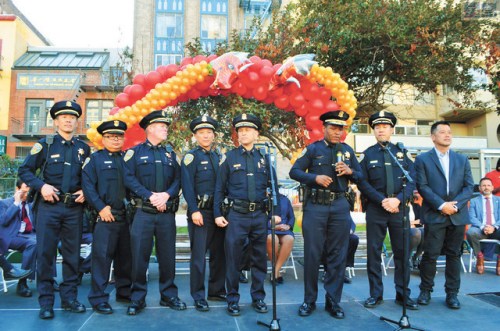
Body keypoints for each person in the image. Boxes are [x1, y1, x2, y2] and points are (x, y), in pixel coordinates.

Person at [18, 100, 91, 319]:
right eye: (64, 117)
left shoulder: (83, 148)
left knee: (71, 256)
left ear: (76, 121)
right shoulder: (45, 144)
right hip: (49, 208)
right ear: (56, 121)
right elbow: (25, 170)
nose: (69, 120)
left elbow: (89, 177)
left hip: (73, 209)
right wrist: (42, 186)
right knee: (46, 255)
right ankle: (46, 303)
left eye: (72, 117)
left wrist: (86, 192)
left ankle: (69, 299)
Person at [289, 110, 362, 319]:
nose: (338, 132)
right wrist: (315, 178)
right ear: (324, 128)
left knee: (338, 255)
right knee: (312, 254)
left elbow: (360, 176)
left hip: (340, 206)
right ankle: (309, 300)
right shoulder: (313, 149)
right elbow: (294, 171)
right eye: (333, 128)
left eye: (341, 129)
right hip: (316, 207)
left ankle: (333, 301)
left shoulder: (348, 152)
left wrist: (350, 172)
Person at [214, 113, 281, 316]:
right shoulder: (229, 157)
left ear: (256, 133)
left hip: (260, 216)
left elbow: (274, 188)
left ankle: (258, 298)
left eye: (247, 130)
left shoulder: (264, 159)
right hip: (237, 215)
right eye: (240, 130)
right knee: (233, 260)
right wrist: (217, 213)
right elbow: (219, 188)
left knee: (259, 259)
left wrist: (275, 213)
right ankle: (233, 299)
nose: (243, 133)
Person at [123, 110, 186, 315]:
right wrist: (150, 195)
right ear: (149, 128)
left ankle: (169, 295)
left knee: (167, 257)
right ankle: (137, 298)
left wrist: (167, 195)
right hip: (143, 212)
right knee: (139, 256)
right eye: (161, 126)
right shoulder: (135, 153)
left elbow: (179, 179)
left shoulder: (170, 154)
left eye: (165, 126)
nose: (165, 128)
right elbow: (128, 177)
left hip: (166, 213)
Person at [82, 120, 146, 314]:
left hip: (127, 218)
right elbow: (88, 186)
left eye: (119, 136)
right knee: (102, 259)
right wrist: (101, 208)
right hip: (105, 217)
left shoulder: (129, 158)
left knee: (126, 258)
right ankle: (99, 298)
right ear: (103, 139)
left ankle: (124, 292)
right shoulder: (95, 160)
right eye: (111, 136)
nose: (116, 139)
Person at [358, 111, 419, 310]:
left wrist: (398, 200)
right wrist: (382, 200)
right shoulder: (368, 154)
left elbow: (412, 181)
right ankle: (375, 294)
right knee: (374, 253)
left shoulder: (402, 152)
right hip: (376, 209)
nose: (381, 129)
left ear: (392, 129)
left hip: (399, 209)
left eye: (385, 126)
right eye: (377, 127)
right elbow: (362, 183)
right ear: (373, 130)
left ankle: (403, 294)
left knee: (402, 253)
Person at [415, 120, 474, 310]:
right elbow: (422, 186)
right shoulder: (423, 159)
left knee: (454, 255)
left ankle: (452, 294)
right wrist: (441, 205)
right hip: (435, 214)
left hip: (457, 215)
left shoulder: (462, 159)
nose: (447, 135)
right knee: (430, 255)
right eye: (442, 132)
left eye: (449, 132)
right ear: (433, 137)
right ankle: (425, 291)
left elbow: (468, 186)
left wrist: (454, 206)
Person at [181, 115, 226, 312]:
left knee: (219, 254)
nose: (206, 136)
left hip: (219, 213)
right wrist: (194, 210)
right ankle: (198, 295)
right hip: (200, 212)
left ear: (214, 135)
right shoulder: (191, 157)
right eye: (201, 133)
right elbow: (187, 186)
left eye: (209, 132)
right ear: (195, 136)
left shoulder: (219, 157)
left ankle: (216, 290)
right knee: (198, 256)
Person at [0, 179, 36, 297]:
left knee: (46, 241)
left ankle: (49, 279)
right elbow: (4, 221)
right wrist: (16, 203)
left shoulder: (31, 205)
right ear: (17, 190)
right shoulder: (5, 203)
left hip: (29, 235)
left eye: (29, 192)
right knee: (33, 243)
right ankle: (23, 282)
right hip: (12, 237)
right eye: (24, 192)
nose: (26, 195)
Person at [466, 177, 500, 274]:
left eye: (488, 185)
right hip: (480, 229)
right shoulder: (474, 201)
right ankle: (479, 257)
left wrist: (493, 227)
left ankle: (499, 259)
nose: (486, 187)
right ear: (480, 188)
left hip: (496, 229)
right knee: (470, 232)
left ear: (492, 187)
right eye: (484, 185)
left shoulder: (499, 200)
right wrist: (483, 227)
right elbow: (472, 217)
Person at [266, 192, 295, 284]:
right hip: (269, 228)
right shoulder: (263, 199)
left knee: (289, 239)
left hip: (284, 229)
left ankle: (275, 271)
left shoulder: (285, 199)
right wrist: (272, 225)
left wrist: (288, 226)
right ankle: (277, 273)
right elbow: (260, 218)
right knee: (272, 239)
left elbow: (292, 216)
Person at [321, 218, 359, 284]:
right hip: (329, 235)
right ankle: (327, 271)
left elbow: (352, 224)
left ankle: (342, 270)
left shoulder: (343, 209)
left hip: (343, 235)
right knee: (324, 241)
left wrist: (351, 230)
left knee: (354, 239)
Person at [410, 190, 425, 270]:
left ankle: (416, 257)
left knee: (424, 231)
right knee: (417, 232)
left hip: (415, 229)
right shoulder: (400, 207)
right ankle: (408, 257)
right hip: (403, 230)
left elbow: (421, 220)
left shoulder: (416, 206)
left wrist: (410, 222)